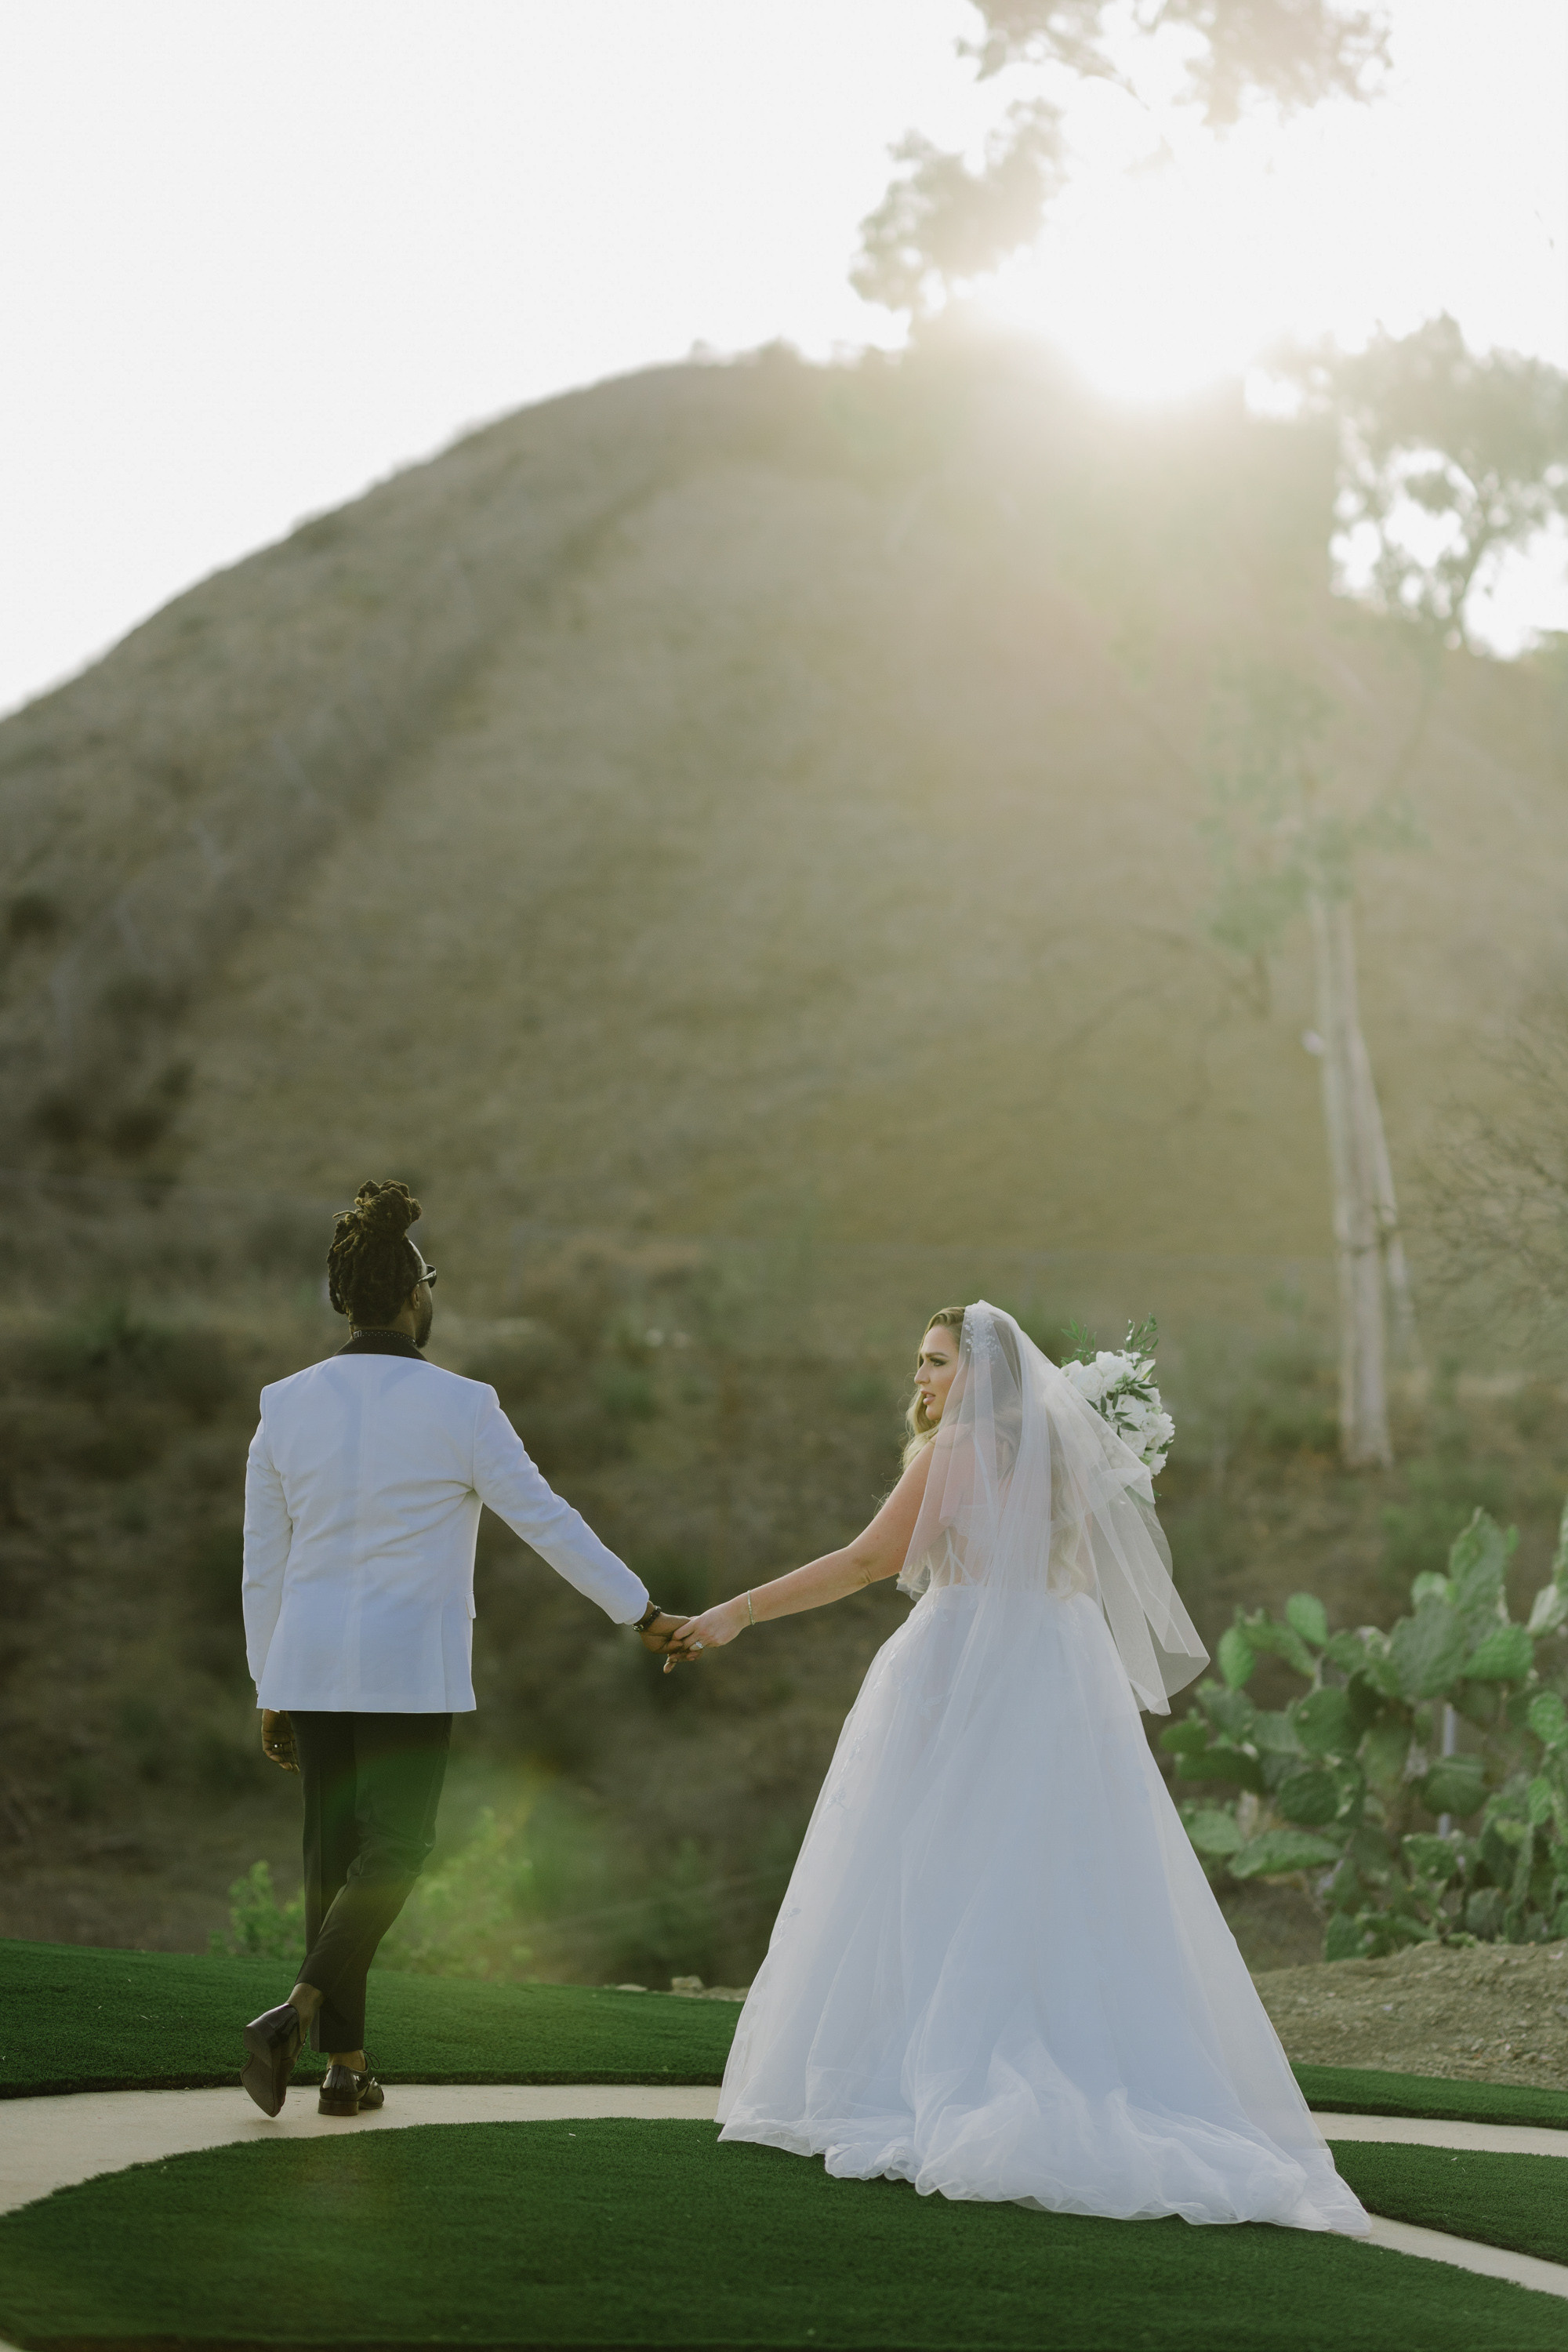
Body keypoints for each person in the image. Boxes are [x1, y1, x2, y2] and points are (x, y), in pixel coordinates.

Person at [662, 1301, 1369, 2234]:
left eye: (934, 1361)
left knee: (925, 1869)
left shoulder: (955, 1451)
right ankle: (1053, 2056)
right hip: (1052, 1670)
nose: (917, 1378)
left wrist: (735, 1614)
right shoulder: (1059, 1459)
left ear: (978, 1375)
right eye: (917, 1362)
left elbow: (868, 1560)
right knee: (1037, 1879)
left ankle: (933, 2069)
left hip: (962, 1669)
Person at [239, 1179, 685, 2119]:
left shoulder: (283, 1406)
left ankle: (344, 2068)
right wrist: (638, 1610)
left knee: (333, 1862)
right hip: (406, 1672)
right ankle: (298, 2013)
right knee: (396, 1851)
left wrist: (264, 1685)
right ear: (411, 1296)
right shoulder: (465, 1406)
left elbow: (261, 1567)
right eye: (428, 1283)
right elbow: (548, 1524)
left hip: (310, 1664)